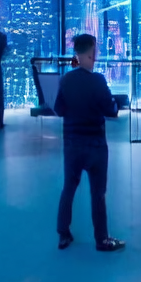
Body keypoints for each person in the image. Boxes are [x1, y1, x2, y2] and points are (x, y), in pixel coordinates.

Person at [55, 34, 125, 252]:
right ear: (90, 54)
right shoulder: (98, 81)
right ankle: (102, 239)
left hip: (72, 144)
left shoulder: (65, 80)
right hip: (95, 146)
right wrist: (115, 103)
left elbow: (59, 109)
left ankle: (63, 234)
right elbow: (111, 111)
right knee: (98, 193)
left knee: (68, 188)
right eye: (96, 51)